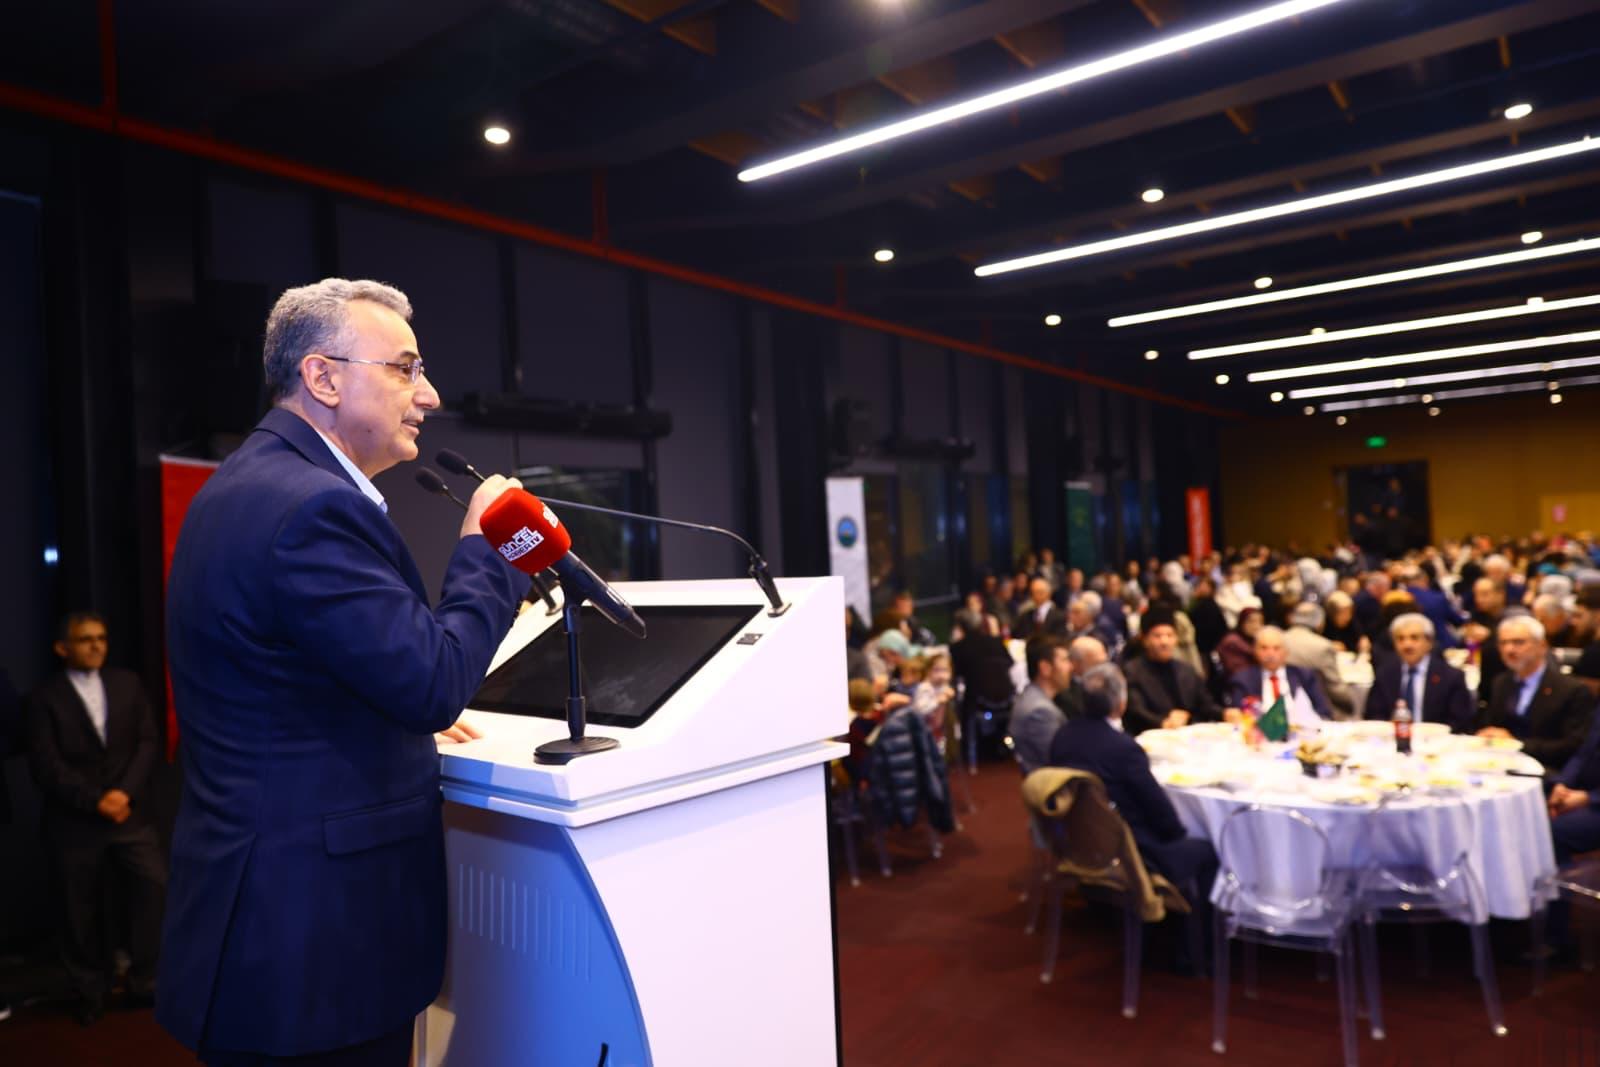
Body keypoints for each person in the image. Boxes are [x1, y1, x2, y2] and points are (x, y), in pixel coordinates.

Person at [156, 279, 526, 1065]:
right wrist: (491, 550)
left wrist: (384, 720)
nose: (429, 394)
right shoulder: (313, 507)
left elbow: (285, 678)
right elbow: (433, 682)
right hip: (313, 946)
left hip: (269, 923)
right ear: (322, 377)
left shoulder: (246, 484)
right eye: (405, 368)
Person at [25, 613, 166, 1026]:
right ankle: (90, 991)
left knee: (154, 889)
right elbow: (46, 765)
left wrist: (124, 794)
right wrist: (96, 800)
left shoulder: (128, 684)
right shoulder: (43, 698)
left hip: (129, 817)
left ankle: (145, 981)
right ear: (62, 648)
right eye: (85, 639)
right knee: (78, 910)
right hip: (75, 823)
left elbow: (147, 742)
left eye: (102, 638)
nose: (96, 646)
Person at [1046, 663, 1218, 966]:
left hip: (1080, 843)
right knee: (1207, 851)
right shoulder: (1123, 748)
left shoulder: (1063, 736)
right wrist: (1178, 835)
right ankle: (1194, 954)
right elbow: (1163, 818)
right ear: (1120, 703)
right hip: (1130, 851)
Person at [1477, 615, 1594, 771]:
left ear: (1542, 646)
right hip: (1499, 765)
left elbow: (1574, 745)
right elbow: (1494, 724)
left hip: (1547, 769)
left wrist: (1518, 744)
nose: (1509, 649)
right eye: (1503, 643)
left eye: (1518, 642)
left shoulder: (1571, 690)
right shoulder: (1501, 682)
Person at [1363, 613, 1475, 733]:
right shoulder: (1385, 674)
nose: (1407, 645)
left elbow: (1460, 722)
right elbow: (1374, 715)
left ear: (1429, 643)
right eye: (1400, 639)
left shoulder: (1451, 677)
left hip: (1438, 741)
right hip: (1395, 738)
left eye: (1414, 638)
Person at [1122, 609, 1226, 735]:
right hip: (1152, 735)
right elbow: (1136, 711)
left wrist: (1224, 713)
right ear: (1145, 640)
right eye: (1157, 636)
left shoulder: (1186, 670)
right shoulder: (1132, 671)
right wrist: (1163, 722)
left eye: (1170, 635)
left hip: (1189, 735)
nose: (1164, 642)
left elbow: (1206, 704)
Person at [1226, 625, 1331, 719]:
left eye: (1276, 648)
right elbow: (1237, 714)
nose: (1270, 654)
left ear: (1286, 651)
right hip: (1259, 730)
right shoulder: (1242, 679)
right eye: (1264, 648)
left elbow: (1323, 711)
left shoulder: (1304, 675)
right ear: (1255, 651)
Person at [1008, 636, 1070, 776]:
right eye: (1064, 660)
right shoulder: (1040, 712)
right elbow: (1060, 761)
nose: (1070, 667)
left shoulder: (1031, 696)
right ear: (1045, 668)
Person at [1283, 602, 1354, 718]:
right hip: (1317, 706)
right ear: (1320, 622)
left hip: (1283, 701)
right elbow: (1335, 688)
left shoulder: (1280, 639)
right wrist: (1352, 702)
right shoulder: (1323, 647)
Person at [1055, 635, 1108, 721]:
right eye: (1097, 663)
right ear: (1076, 663)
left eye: (1105, 663)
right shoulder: (1064, 693)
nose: (1103, 668)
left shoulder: (1107, 683)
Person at [1214, 606, 1264, 680]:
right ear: (1242, 622)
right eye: (1251, 621)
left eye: (1260, 622)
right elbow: (1239, 673)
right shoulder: (1231, 642)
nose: (1256, 626)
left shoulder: (1257, 640)